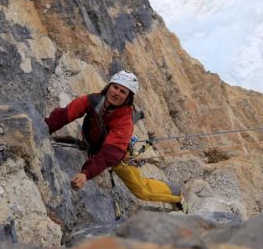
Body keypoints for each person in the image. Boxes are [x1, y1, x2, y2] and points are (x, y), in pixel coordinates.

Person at [45, 70, 185, 209]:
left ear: (128, 98)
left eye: (123, 92)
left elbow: (109, 155)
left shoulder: (124, 121)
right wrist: (45, 126)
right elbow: (66, 114)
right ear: (109, 86)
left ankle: (177, 195)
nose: (116, 93)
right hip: (94, 145)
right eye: (115, 87)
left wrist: (85, 173)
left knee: (142, 190)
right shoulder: (94, 100)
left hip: (117, 156)